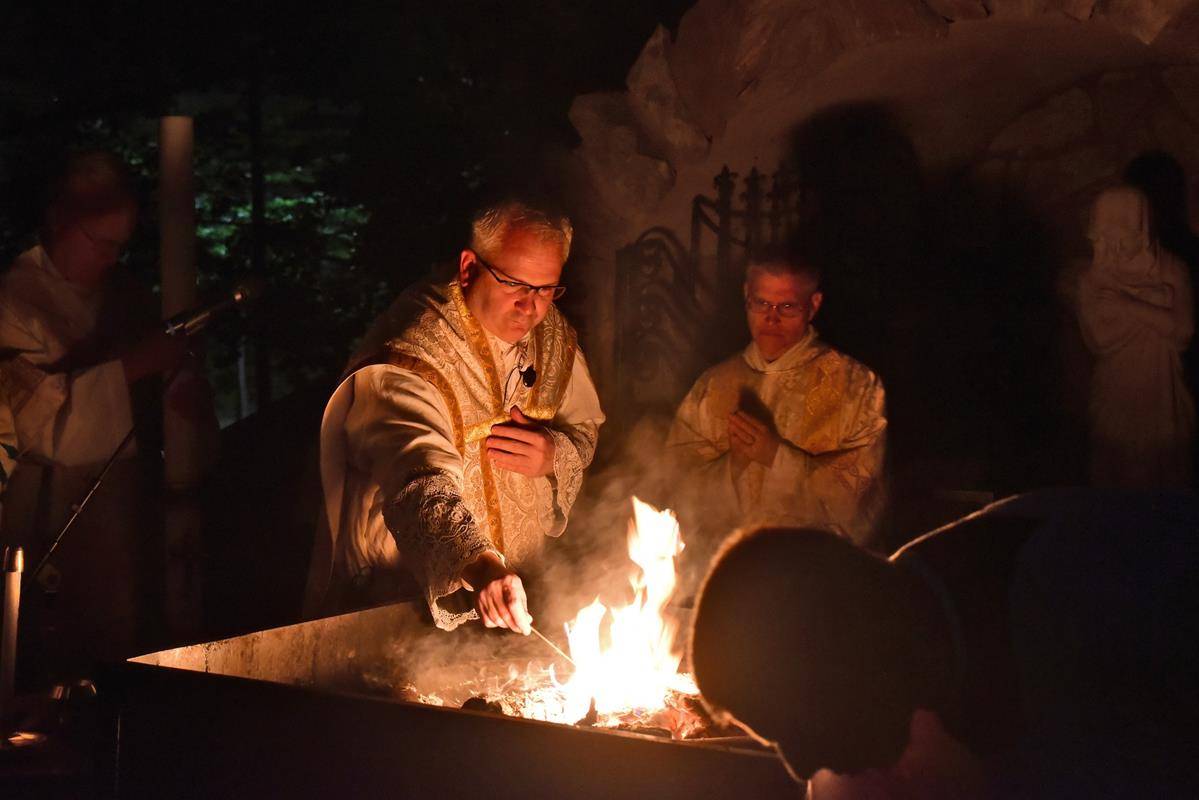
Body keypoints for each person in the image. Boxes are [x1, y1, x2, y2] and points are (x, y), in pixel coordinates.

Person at [690, 489, 1199, 798]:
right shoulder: (876, 739)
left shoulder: (1092, 580)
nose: (798, 765)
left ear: (850, 644)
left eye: (791, 728)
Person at [306, 197, 604, 633]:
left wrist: (553, 454)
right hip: (403, 602)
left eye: (546, 289)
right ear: (469, 269)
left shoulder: (554, 336)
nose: (532, 308)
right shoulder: (412, 356)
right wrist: (480, 568)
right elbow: (419, 482)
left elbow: (584, 427)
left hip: (513, 597)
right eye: (516, 285)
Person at [0, 150, 196, 671]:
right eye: (100, 243)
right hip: (48, 512)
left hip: (128, 512)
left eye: (121, 246)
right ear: (60, 221)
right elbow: (36, 427)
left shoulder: (127, 297)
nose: (111, 258)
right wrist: (131, 368)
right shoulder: (15, 302)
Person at [666, 244, 886, 561]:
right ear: (746, 295)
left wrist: (775, 456)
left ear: (813, 305)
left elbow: (861, 502)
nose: (771, 319)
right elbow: (674, 488)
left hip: (819, 574)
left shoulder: (858, 388)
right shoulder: (713, 386)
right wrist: (734, 468)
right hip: (728, 574)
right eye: (761, 303)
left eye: (786, 307)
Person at [1076, 185, 1195, 488]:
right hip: (1116, 401)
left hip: (1162, 401)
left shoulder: (1171, 271)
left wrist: (1126, 305)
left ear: (1141, 233)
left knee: (1165, 483)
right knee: (1113, 484)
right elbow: (1101, 339)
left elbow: (1183, 332)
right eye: (1105, 238)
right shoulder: (1091, 281)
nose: (1111, 248)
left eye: (1120, 239)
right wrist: (1155, 305)